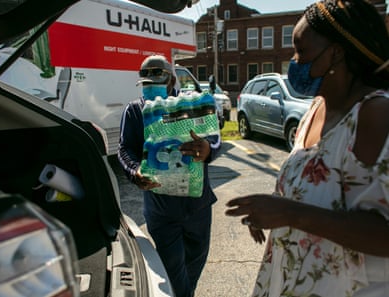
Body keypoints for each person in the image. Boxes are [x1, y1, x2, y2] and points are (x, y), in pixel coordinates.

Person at [225, 1, 389, 296]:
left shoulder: (376, 113)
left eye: (301, 51)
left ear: (337, 52)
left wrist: (290, 213)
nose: (294, 61)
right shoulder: (316, 108)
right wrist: (271, 209)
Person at [118, 55, 221, 297]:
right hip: (162, 210)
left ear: (172, 79)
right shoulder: (135, 111)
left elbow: (215, 140)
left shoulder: (190, 107)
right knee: (174, 270)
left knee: (194, 265)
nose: (150, 87)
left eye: (156, 80)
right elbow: (125, 150)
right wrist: (135, 171)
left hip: (198, 206)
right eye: (146, 83)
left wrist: (208, 150)